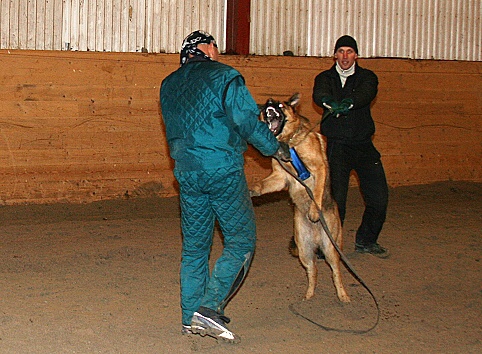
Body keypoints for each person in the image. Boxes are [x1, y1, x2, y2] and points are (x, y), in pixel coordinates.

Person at [160, 30, 289, 343]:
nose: (218, 51)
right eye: (215, 45)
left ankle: (189, 318)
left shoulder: (168, 84)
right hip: (222, 170)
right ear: (205, 48)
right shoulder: (226, 76)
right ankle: (209, 306)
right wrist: (275, 149)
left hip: (187, 173)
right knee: (242, 240)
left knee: (194, 248)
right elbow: (245, 122)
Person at [312, 35, 389, 258]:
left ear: (356, 55)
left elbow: (366, 94)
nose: (345, 56)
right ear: (335, 55)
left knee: (379, 198)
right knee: (336, 202)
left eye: (349, 52)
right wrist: (329, 101)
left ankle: (367, 240)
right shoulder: (325, 77)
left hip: (364, 146)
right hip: (338, 148)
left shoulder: (367, 77)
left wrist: (349, 103)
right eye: (341, 51)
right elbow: (319, 94)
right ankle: (329, 244)